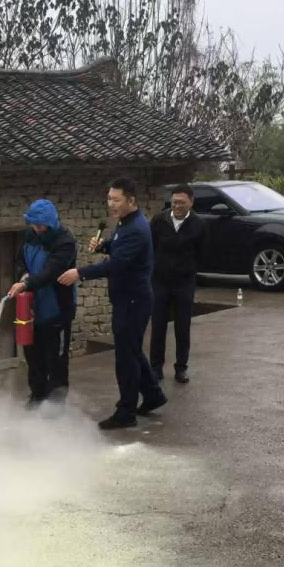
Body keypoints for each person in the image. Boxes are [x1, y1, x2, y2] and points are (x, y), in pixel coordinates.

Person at [58, 177, 166, 430]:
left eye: (116, 200)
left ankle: (126, 412)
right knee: (132, 350)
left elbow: (117, 265)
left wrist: (80, 273)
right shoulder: (125, 223)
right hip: (128, 299)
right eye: (109, 199)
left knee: (126, 358)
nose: (111, 204)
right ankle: (153, 395)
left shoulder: (136, 228)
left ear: (131, 200)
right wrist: (104, 245)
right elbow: (119, 249)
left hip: (133, 301)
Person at [7, 199, 78, 403]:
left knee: (56, 358)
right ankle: (37, 395)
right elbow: (19, 259)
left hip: (57, 308)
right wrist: (23, 274)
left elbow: (50, 272)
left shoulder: (65, 242)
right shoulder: (30, 235)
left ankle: (56, 404)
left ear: (51, 223)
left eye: (41, 225)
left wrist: (26, 284)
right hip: (32, 307)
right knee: (33, 355)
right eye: (34, 224)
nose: (37, 229)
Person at [149, 184, 209, 383]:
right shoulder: (159, 221)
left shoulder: (199, 225)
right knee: (158, 326)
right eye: (174, 202)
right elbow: (151, 247)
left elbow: (203, 253)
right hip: (160, 282)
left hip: (184, 283)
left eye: (181, 203)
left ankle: (181, 367)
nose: (177, 206)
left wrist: (189, 270)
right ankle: (155, 367)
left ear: (191, 202)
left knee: (182, 327)